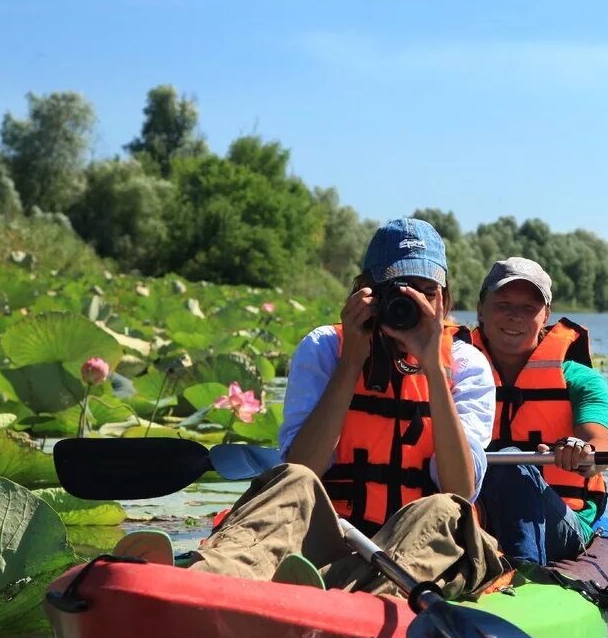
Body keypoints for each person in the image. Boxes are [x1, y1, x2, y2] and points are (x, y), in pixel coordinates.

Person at [188, 218, 505, 598]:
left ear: (444, 300)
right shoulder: (325, 347)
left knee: (445, 510)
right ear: (365, 292)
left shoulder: (466, 364)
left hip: (416, 554)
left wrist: (434, 370)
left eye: (427, 292)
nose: (413, 305)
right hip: (331, 536)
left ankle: (360, 599)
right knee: (292, 479)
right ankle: (208, 576)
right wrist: (352, 361)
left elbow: (459, 488)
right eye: (399, 292)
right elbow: (306, 465)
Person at [461, 257, 608, 565]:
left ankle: (525, 572)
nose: (515, 317)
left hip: (560, 520)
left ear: (546, 315)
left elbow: (599, 442)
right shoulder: (451, 372)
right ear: (481, 309)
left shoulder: (582, 380)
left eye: (529, 308)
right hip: (473, 511)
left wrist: (582, 451)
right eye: (503, 303)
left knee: (509, 466)